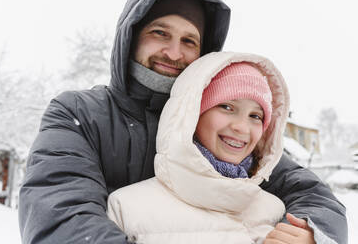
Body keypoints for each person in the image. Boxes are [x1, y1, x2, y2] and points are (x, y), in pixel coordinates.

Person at [18, 0, 347, 243]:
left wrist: (309, 232)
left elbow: (312, 194)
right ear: (131, 36)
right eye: (160, 33)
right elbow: (59, 213)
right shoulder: (80, 113)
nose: (174, 53)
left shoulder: (213, 124)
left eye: (189, 41)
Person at [106, 52, 329, 244]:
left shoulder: (275, 211)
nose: (242, 127)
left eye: (255, 116)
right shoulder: (127, 208)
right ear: (194, 114)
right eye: (227, 107)